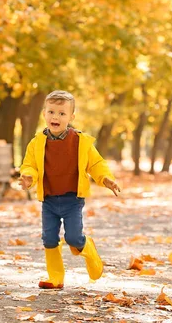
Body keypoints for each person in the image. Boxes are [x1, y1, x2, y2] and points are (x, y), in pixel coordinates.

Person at [19, 90, 121, 289]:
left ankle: (88, 248)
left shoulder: (80, 142)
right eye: (51, 112)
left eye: (62, 113)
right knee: (49, 238)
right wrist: (28, 177)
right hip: (48, 199)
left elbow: (96, 163)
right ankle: (56, 278)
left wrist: (106, 178)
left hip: (72, 199)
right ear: (44, 114)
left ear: (71, 117)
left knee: (73, 238)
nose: (55, 117)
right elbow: (29, 164)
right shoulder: (37, 143)